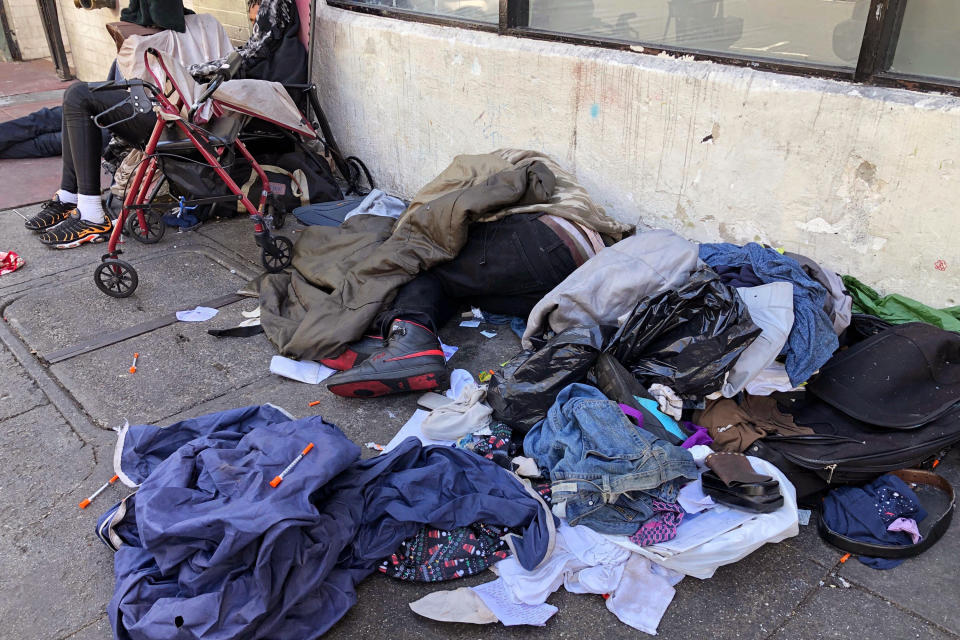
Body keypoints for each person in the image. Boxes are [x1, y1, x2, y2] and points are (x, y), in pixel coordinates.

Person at [22, 0, 300, 249]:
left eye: (253, 20)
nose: (251, 21)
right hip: (174, 112)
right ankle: (72, 197)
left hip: (184, 121)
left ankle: (90, 212)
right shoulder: (170, 32)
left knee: (78, 97)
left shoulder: (259, 40)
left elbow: (225, 80)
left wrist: (190, 72)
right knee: (76, 99)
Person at [322, 212, 605, 398]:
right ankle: (399, 338)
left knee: (425, 263)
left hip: (550, 240)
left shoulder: (419, 218)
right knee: (457, 288)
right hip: (572, 277)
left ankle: (408, 340)